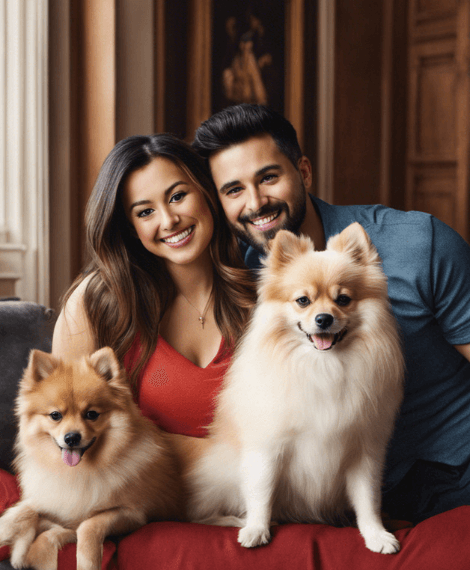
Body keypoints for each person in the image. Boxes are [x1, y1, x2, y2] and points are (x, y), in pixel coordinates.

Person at [192, 103, 470, 523]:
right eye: (233, 190)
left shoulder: (419, 245)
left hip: (453, 472)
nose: (256, 202)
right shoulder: (240, 274)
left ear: (303, 172)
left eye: (269, 177)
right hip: (330, 498)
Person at [52, 133, 256, 438]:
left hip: (248, 486)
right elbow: (65, 436)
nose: (169, 219)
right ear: (132, 229)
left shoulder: (263, 293)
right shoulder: (93, 302)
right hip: (140, 486)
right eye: (145, 212)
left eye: (177, 196)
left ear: (207, 193)